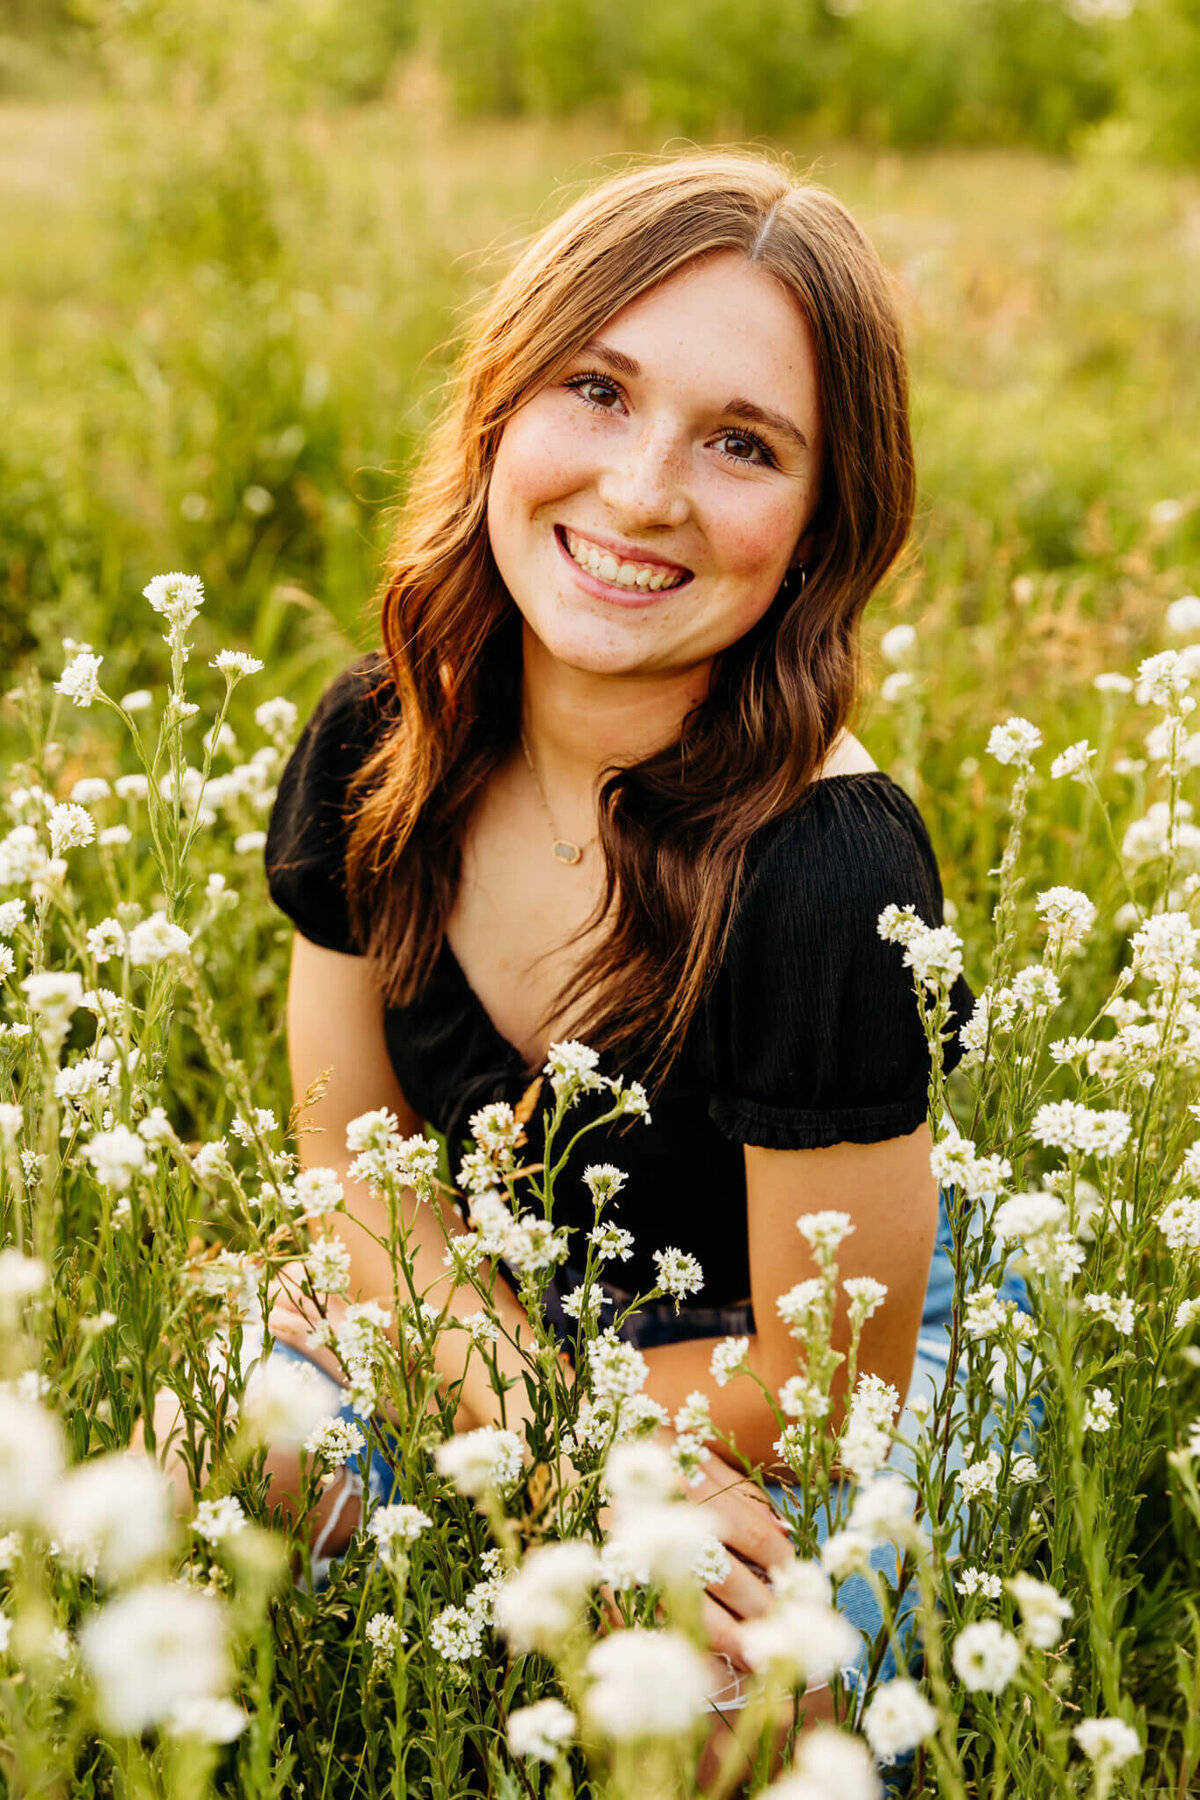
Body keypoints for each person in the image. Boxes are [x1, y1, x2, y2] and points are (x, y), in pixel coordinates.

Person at [255, 151, 1025, 1779]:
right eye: (595, 390)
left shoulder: (829, 867)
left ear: (824, 525)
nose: (644, 490)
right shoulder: (372, 746)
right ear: (498, 410)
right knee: (227, 1460)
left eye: (744, 444)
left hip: (816, 1368)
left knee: (725, 1678)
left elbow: (836, 1373)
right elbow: (353, 1179)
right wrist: (557, 1449)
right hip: (507, 1318)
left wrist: (551, 1439)